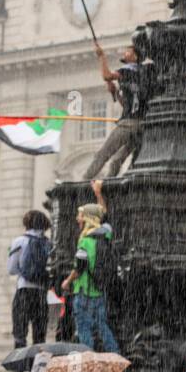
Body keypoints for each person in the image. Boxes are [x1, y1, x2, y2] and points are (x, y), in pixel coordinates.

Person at [60, 183, 120, 354]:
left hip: (84, 290)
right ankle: (115, 356)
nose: (77, 219)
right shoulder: (105, 234)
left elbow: (80, 267)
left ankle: (88, 359)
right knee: (102, 326)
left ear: (87, 219)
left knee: (84, 328)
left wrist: (67, 281)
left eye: (80, 216)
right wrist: (98, 193)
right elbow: (104, 214)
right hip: (99, 290)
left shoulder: (85, 240)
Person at [83, 42, 155, 182]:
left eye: (128, 51)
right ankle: (109, 183)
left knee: (103, 154)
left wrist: (101, 57)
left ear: (135, 57)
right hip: (142, 126)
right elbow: (128, 102)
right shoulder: (141, 74)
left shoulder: (127, 70)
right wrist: (116, 92)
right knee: (117, 160)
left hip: (128, 124)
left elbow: (107, 75)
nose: (124, 53)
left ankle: (85, 179)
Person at [7, 210, 52, 348]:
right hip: (41, 293)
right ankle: (38, 368)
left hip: (24, 291)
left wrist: (24, 271)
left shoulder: (20, 241)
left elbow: (11, 269)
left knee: (20, 334)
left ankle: (18, 368)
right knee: (39, 336)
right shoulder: (49, 243)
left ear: (26, 223)